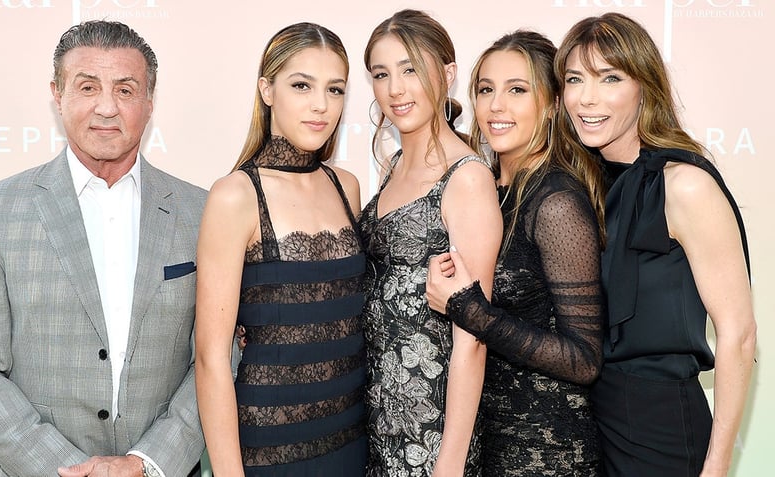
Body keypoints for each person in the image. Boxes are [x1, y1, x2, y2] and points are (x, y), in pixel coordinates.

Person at [0, 20, 206, 477]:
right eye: (88, 87)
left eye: (125, 90)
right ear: (58, 95)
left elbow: (217, 356)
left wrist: (149, 462)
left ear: (149, 101)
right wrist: (65, 469)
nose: (106, 107)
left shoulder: (203, 212)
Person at [556, 12, 757, 477]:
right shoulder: (583, 188)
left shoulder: (684, 185)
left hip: (662, 426)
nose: (588, 98)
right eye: (574, 79)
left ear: (644, 85)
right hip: (594, 422)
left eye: (610, 78)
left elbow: (739, 332)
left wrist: (718, 466)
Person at [426, 30, 605, 476]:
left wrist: (471, 310)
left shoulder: (556, 201)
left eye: (517, 90)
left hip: (545, 452)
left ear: (550, 104)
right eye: (486, 90)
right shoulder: (486, 188)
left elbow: (584, 359)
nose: (495, 106)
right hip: (489, 441)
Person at [194, 22, 367, 476]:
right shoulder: (235, 195)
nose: (320, 105)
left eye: (335, 89)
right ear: (266, 89)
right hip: (268, 453)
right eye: (301, 85)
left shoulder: (346, 186)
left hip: (352, 443)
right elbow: (211, 358)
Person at [359, 9, 502, 476]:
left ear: (447, 74)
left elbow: (474, 338)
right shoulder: (393, 164)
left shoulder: (467, 179)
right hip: (378, 416)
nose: (395, 89)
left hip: (433, 432)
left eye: (410, 69)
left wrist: (450, 464)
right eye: (382, 74)